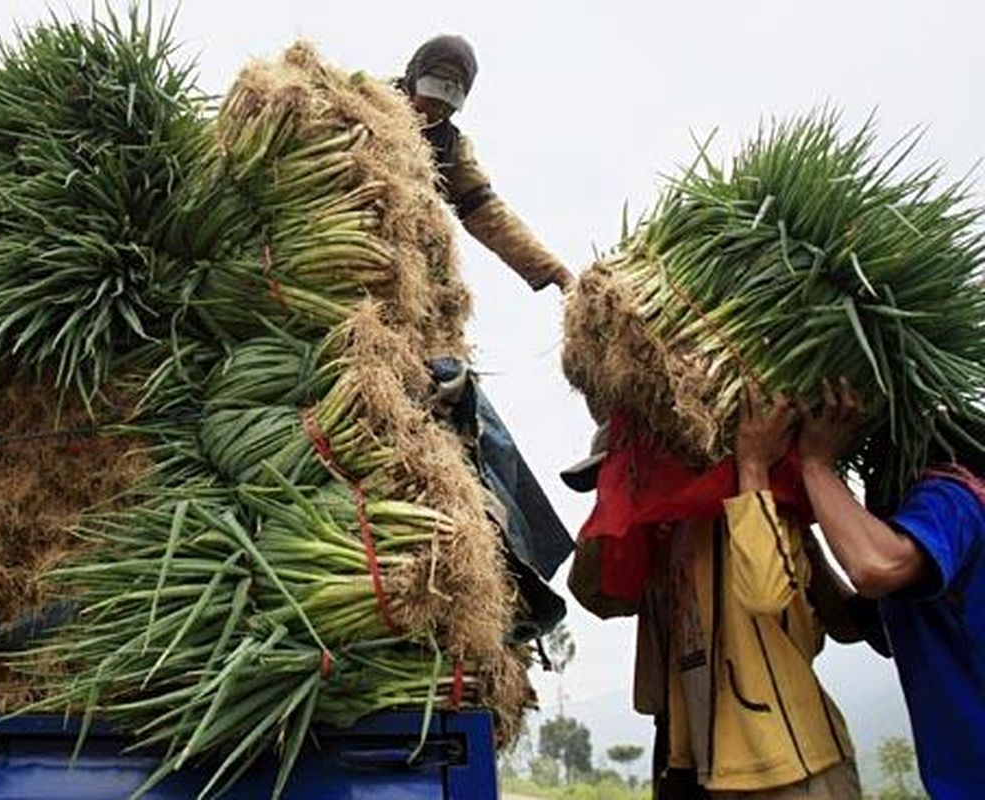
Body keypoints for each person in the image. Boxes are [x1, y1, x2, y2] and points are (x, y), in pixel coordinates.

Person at [565, 393, 865, 798]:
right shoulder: (665, 544)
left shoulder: (744, 511)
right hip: (710, 765)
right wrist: (613, 505)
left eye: (622, 474)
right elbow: (597, 596)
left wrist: (754, 465)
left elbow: (769, 596)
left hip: (790, 765)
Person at [790, 378, 985, 799]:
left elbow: (875, 566)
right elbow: (852, 624)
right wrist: (804, 540)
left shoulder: (955, 496)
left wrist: (815, 464)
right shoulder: (929, 563)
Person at [400, 35, 573, 293]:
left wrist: (555, 272)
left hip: (398, 257)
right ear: (413, 80)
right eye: (432, 99)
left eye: (447, 107)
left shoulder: (451, 149)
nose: (436, 111)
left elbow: (488, 214)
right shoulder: (365, 102)